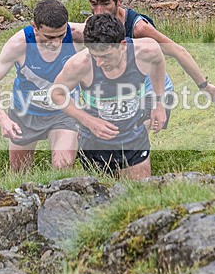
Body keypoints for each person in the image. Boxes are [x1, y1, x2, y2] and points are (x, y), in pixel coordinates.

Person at [52, 14, 167, 179]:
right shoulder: (79, 65)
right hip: (94, 141)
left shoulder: (147, 50)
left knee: (140, 191)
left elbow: (158, 61)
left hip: (133, 134)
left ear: (122, 45)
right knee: (102, 198)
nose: (99, 62)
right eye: (94, 55)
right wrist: (87, 120)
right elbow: (56, 93)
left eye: (105, 56)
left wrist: (158, 104)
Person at [83, 0, 215, 100]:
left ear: (119, 0)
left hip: (149, 82)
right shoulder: (92, 23)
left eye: (106, 4)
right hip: (119, 83)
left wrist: (205, 87)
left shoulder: (138, 28)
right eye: (94, 4)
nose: (99, 11)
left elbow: (178, 51)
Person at [0, 0, 81, 172]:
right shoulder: (19, 44)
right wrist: (3, 119)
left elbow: (116, 37)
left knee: (62, 167)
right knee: (19, 173)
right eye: (49, 37)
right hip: (25, 113)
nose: (56, 42)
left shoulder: (77, 34)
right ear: (35, 26)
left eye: (61, 35)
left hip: (63, 113)